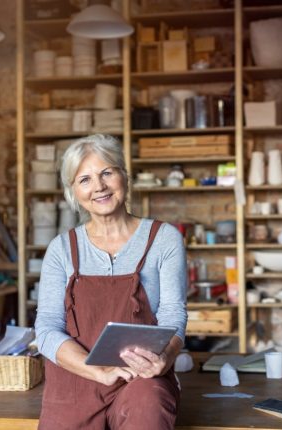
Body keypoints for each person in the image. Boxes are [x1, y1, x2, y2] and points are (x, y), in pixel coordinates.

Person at [35, 134, 187, 429]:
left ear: (124, 177)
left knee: (149, 407)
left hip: (141, 377)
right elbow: (46, 328)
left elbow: (173, 314)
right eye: (85, 179)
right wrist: (98, 371)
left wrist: (165, 358)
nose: (99, 187)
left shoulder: (164, 239)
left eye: (107, 172)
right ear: (73, 192)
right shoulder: (61, 248)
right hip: (76, 378)